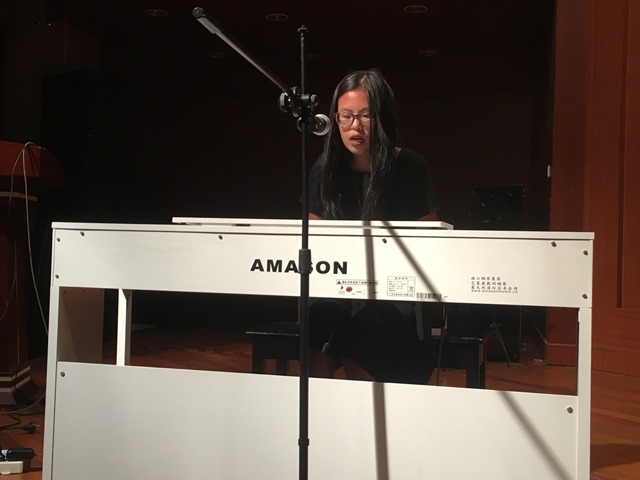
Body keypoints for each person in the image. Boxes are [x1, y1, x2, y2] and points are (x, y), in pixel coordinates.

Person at [307, 69, 439, 384]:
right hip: (340, 282)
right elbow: (315, 239)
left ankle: (365, 406)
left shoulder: (410, 167)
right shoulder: (324, 171)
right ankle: (321, 405)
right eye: (346, 116)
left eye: (365, 116)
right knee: (317, 314)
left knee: (367, 328)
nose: (355, 126)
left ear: (382, 118)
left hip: (395, 288)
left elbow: (430, 241)